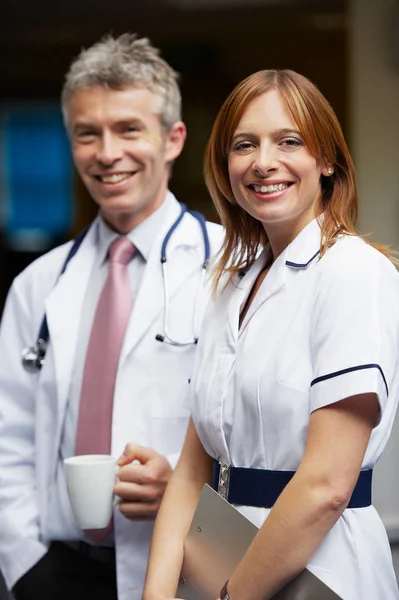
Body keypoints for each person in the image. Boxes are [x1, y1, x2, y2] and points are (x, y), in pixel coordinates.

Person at [143, 69, 399, 600]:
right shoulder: (229, 285)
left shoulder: (352, 272)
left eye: (289, 141)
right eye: (245, 145)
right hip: (219, 558)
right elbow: (192, 474)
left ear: (326, 160)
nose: (264, 162)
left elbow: (326, 488)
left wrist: (233, 596)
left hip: (322, 571)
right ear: (225, 164)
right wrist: (158, 594)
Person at [0, 33, 223, 600]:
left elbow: (268, 434)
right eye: (86, 133)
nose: (106, 152)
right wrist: (25, 566)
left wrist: (185, 480)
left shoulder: (231, 269)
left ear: (173, 139)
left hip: (187, 566)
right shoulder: (39, 284)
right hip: (58, 574)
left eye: (128, 128)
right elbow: (10, 439)